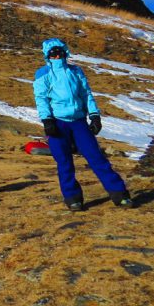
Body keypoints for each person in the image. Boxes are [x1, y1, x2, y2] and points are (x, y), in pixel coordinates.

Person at [33, 38, 133, 210]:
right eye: (53, 54)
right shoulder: (42, 74)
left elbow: (86, 94)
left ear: (65, 53)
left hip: (79, 122)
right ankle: (73, 199)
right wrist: (47, 120)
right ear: (47, 56)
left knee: (97, 157)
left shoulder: (76, 71)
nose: (57, 56)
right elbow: (41, 99)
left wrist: (94, 116)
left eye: (60, 53)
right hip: (58, 123)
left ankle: (120, 194)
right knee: (64, 162)